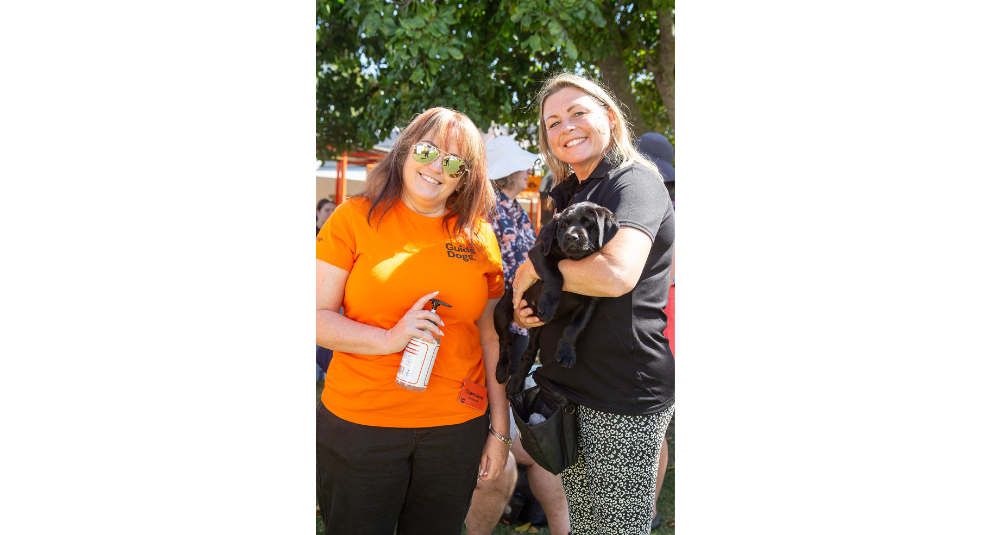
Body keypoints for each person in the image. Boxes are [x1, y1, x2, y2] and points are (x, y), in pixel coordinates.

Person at [315, 107, 512, 535]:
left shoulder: (479, 236)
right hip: (361, 424)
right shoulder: (354, 218)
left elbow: (491, 336)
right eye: (427, 150)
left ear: (467, 177)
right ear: (404, 151)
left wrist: (500, 428)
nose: (437, 167)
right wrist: (389, 339)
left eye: (455, 162)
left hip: (455, 428)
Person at [511, 73, 675, 535]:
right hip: (572, 386)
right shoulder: (577, 190)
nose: (567, 127)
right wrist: (536, 306)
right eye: (553, 121)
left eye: (578, 112)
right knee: (587, 524)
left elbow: (616, 274)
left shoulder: (634, 181)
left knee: (617, 528)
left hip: (621, 390)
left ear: (607, 114)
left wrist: (532, 271)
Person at [465, 138, 573, 535]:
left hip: (494, 334)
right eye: (524, 168)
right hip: (510, 335)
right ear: (513, 174)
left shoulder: (475, 213)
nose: (529, 173)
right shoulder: (505, 214)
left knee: (517, 436)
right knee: (535, 439)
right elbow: (530, 273)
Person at [636, 132, 676, 531]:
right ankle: (646, 510)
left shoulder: (652, 210)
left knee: (653, 431)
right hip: (658, 328)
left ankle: (645, 511)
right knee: (656, 430)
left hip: (658, 330)